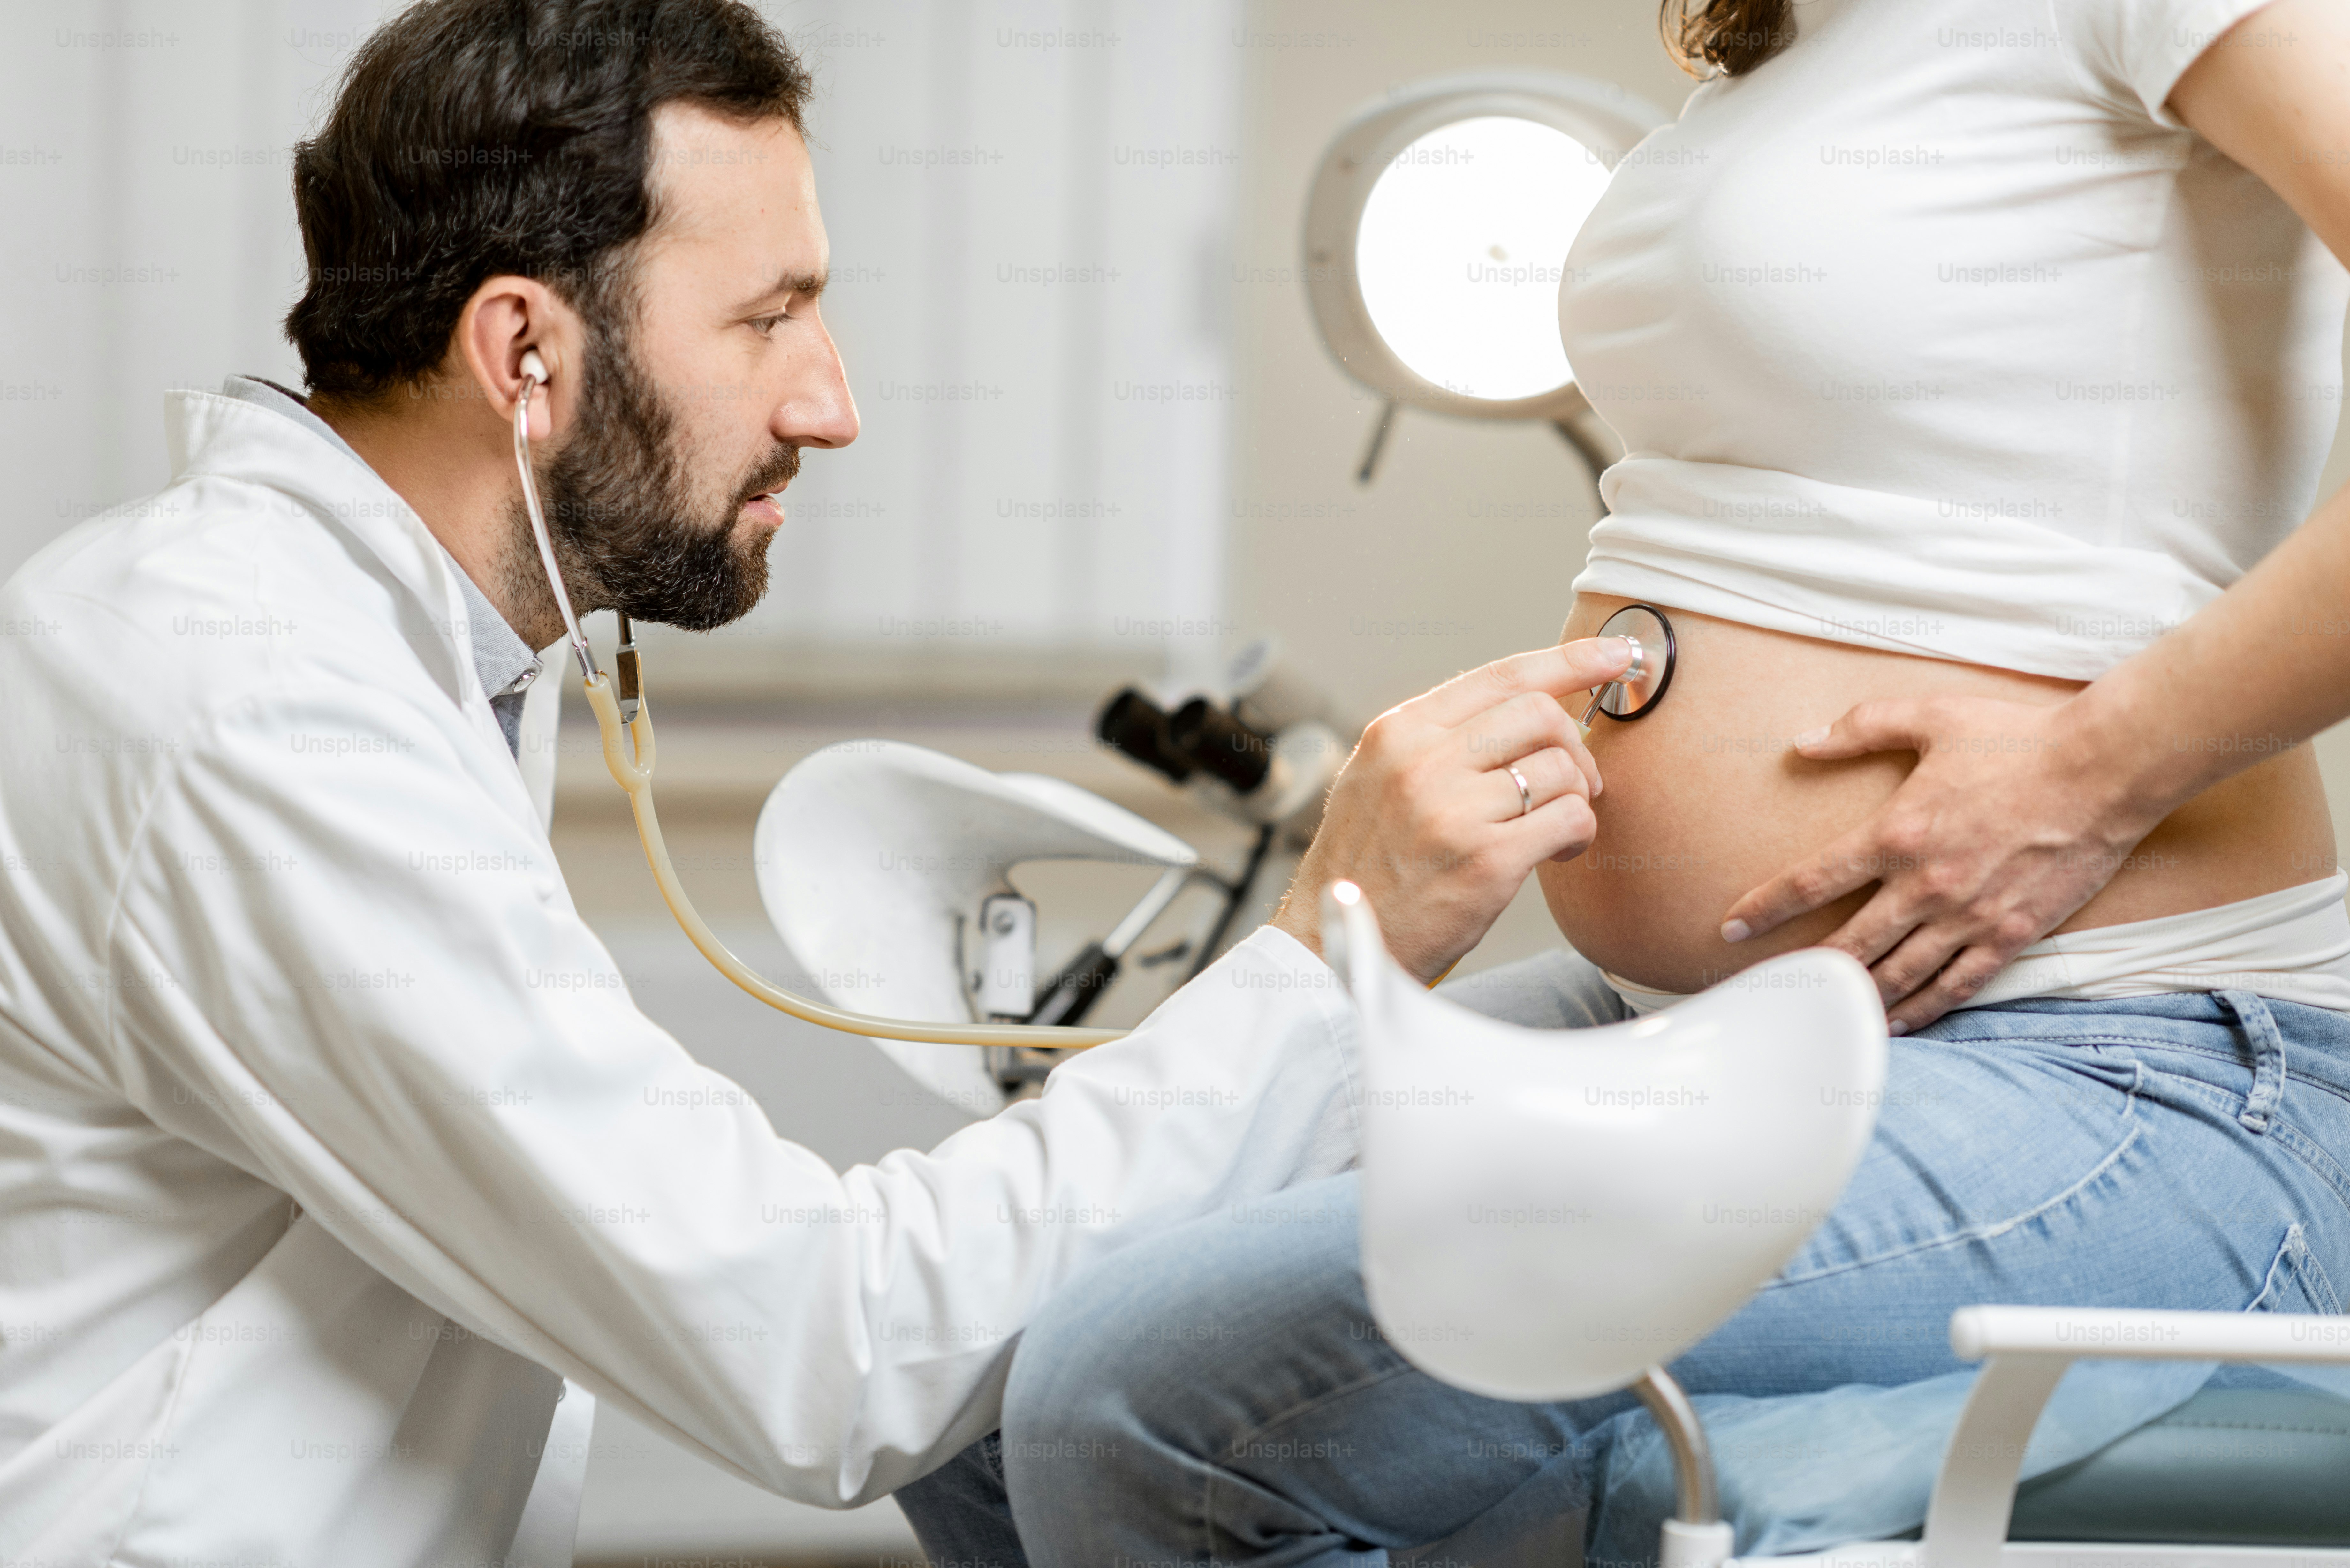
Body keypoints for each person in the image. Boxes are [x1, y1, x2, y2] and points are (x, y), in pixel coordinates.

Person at [0, 5, 1642, 1565]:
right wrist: (1331, 944)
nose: (830, 404)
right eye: (766, 316)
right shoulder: (256, 707)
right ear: (521, 354)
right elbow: (823, 1352)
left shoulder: (381, 642)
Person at [894, 0, 2350, 1562]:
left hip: (2121, 1056)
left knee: (1150, 1398)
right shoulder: (1790, 52)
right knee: (983, 1348)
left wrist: (2088, 768)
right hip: (1731, 1029)